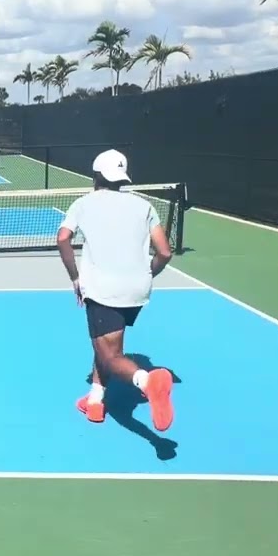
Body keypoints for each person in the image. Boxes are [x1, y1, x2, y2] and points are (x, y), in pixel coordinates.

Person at [55, 149, 176, 431]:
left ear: (96, 175)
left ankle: (147, 382)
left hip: (102, 289)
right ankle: (96, 400)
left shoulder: (84, 203)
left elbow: (63, 239)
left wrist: (75, 278)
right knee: (106, 345)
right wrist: (148, 273)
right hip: (137, 289)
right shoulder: (144, 205)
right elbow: (165, 252)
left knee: (110, 357)